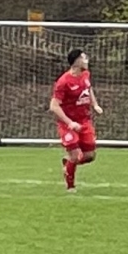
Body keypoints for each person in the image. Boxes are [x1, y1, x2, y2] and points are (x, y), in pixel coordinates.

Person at [50, 49, 102, 192]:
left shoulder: (86, 74)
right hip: (68, 124)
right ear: (77, 61)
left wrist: (95, 104)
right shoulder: (63, 82)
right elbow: (54, 106)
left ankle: (68, 163)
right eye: (84, 58)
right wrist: (70, 123)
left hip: (84, 121)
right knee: (76, 155)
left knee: (90, 156)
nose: (87, 60)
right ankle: (70, 187)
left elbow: (88, 89)